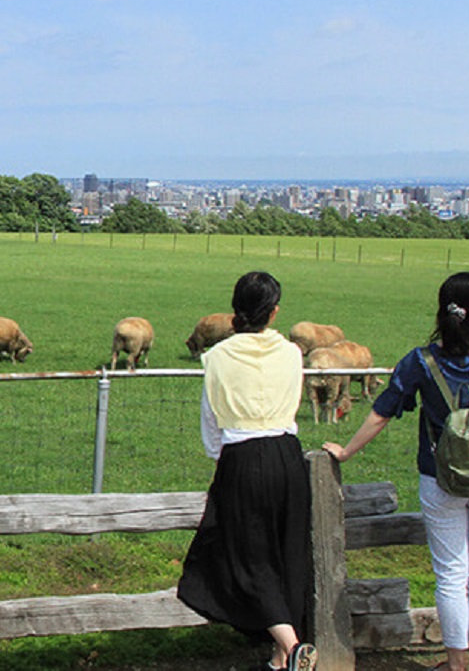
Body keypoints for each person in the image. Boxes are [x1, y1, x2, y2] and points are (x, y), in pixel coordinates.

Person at [323, 272, 469, 671]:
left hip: (441, 477)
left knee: (451, 574)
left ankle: (455, 662)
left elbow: (382, 412)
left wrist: (345, 451)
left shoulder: (422, 360)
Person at [178, 271, 317, 671]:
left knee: (247, 553)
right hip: (288, 457)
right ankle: (280, 658)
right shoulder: (293, 352)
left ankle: (291, 648)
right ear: (274, 312)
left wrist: (220, 455)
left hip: (241, 455)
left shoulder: (217, 357)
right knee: (286, 550)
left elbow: (211, 422)